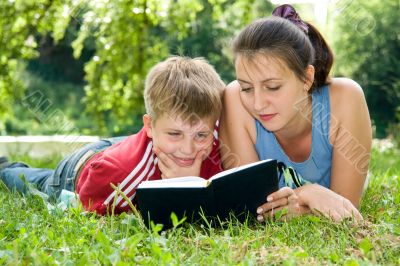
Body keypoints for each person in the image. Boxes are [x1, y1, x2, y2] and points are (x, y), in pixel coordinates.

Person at [0, 56, 225, 215]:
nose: (188, 148)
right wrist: (181, 188)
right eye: (175, 134)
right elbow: (85, 205)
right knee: (40, 183)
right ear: (150, 125)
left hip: (129, 143)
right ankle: (5, 169)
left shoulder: (214, 134)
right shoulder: (119, 176)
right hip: (82, 168)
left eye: (201, 135)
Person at [219, 4, 372, 222]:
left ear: (306, 78)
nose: (259, 104)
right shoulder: (234, 98)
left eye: (272, 87)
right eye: (247, 88)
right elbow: (252, 210)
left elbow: (345, 210)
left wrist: (306, 198)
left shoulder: (346, 99)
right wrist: (311, 194)